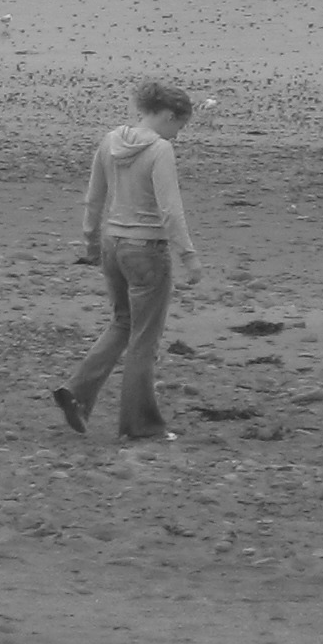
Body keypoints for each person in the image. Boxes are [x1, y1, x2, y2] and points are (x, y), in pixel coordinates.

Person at [55, 82, 202, 443]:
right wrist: (189, 256)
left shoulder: (110, 140)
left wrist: (89, 239)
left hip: (112, 245)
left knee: (122, 322)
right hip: (146, 251)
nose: (177, 135)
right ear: (168, 116)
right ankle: (140, 424)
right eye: (179, 127)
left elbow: (94, 197)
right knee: (143, 339)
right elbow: (170, 209)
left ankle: (76, 391)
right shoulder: (160, 149)